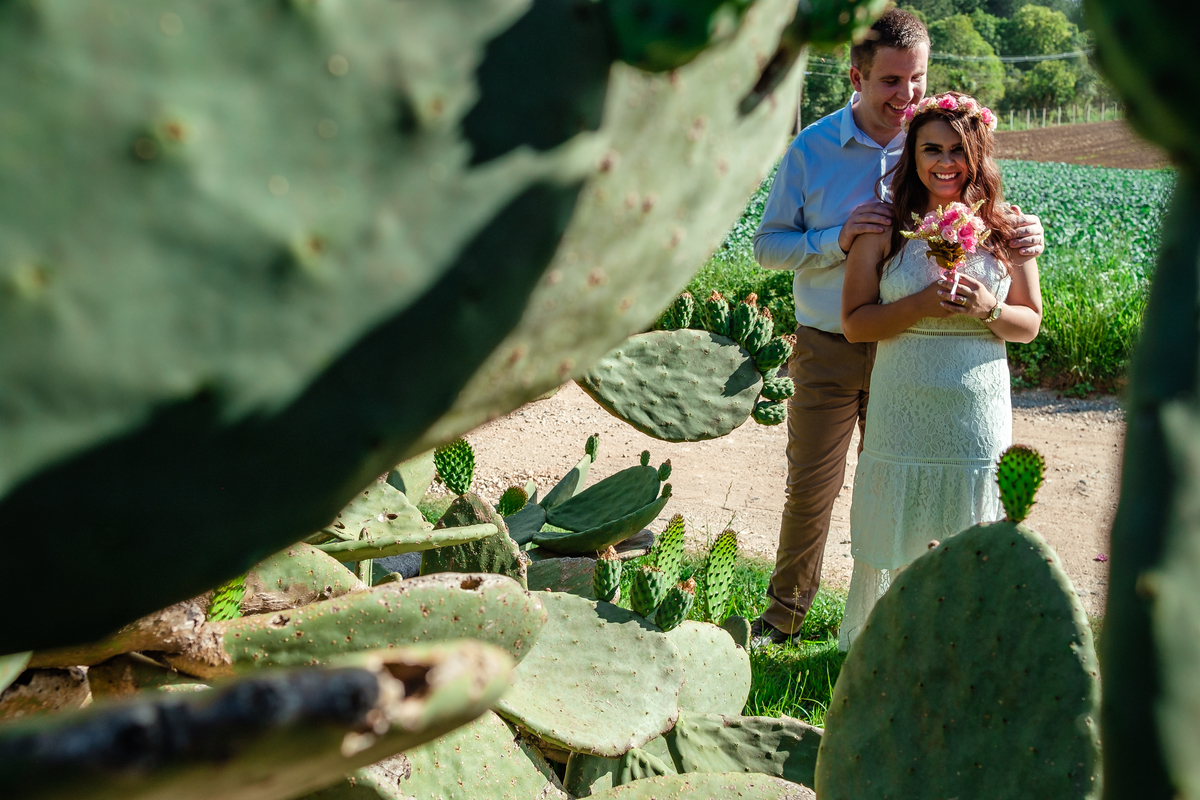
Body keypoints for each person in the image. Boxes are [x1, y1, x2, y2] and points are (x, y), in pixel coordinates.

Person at [750, 8, 1045, 645]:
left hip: (917, 362)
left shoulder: (938, 149)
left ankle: (932, 627)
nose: (906, 95)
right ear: (856, 76)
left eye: (916, 79)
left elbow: (1022, 300)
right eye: (891, 81)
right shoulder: (814, 149)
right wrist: (837, 238)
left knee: (912, 490)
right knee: (814, 488)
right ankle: (785, 618)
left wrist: (1023, 243)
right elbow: (768, 245)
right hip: (835, 340)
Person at [836, 91, 1041, 648]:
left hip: (977, 413)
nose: (945, 162)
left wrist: (989, 309)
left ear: (977, 154)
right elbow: (856, 323)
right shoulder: (884, 225)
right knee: (900, 530)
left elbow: (1029, 325)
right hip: (904, 406)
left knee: (970, 530)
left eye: (957, 149)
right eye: (932, 149)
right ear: (913, 154)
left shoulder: (1007, 230)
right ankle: (892, 646)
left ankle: (968, 648)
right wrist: (919, 305)